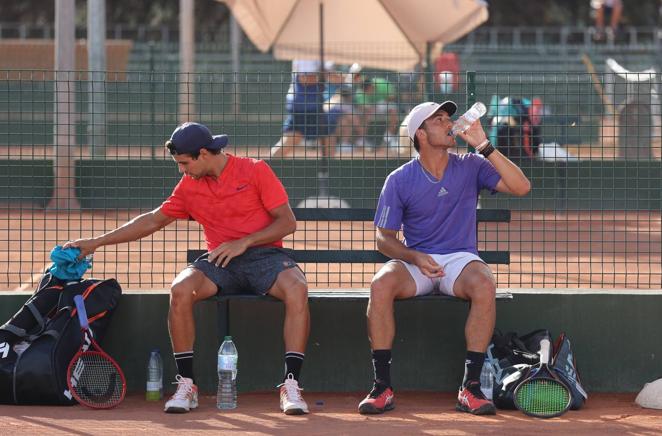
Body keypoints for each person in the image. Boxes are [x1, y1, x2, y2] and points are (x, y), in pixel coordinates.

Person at [63, 122, 311, 415]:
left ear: (203, 153)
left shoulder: (255, 170)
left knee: (297, 287)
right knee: (180, 289)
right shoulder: (189, 185)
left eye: (184, 163)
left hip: (265, 256)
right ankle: (187, 385)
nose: (181, 170)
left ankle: (291, 384)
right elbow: (153, 220)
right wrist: (96, 242)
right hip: (220, 261)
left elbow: (287, 222)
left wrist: (245, 242)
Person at [358, 101, 531, 415]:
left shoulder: (472, 164)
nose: (448, 122)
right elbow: (383, 238)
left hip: (459, 260)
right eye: (438, 120)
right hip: (417, 262)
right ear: (421, 135)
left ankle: (471, 388)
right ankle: (382, 387)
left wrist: (483, 144)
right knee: (381, 283)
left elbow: (522, 187)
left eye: (448, 117)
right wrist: (414, 256)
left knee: (484, 283)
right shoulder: (399, 179)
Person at [271, 59, 331, 158]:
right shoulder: (305, 55)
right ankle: (269, 165)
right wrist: (325, 75)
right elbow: (304, 78)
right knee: (291, 139)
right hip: (303, 104)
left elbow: (329, 75)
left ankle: (328, 170)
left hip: (313, 104)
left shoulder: (323, 53)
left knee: (328, 137)